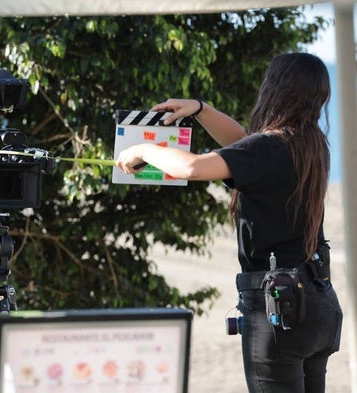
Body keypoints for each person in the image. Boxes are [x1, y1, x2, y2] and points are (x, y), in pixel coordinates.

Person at [116, 52, 342, 393]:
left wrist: (143, 150)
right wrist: (200, 108)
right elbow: (242, 143)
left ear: (275, 89)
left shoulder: (270, 148)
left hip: (281, 311)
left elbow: (192, 168)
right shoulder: (310, 145)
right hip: (318, 304)